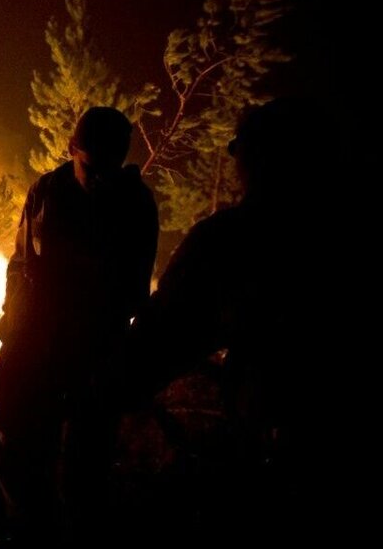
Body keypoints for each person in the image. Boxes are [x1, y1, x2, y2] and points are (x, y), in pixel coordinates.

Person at [115, 97, 369, 542]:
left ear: (259, 158)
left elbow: (166, 332)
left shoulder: (234, 238)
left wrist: (114, 388)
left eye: (243, 154)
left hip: (281, 445)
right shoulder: (347, 229)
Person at [0, 106, 158, 542]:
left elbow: (136, 286)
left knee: (86, 467)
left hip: (94, 352)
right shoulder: (45, 191)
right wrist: (13, 323)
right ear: (71, 150)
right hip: (37, 344)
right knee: (21, 452)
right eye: (90, 165)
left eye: (109, 166)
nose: (100, 176)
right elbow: (20, 262)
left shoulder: (135, 204)